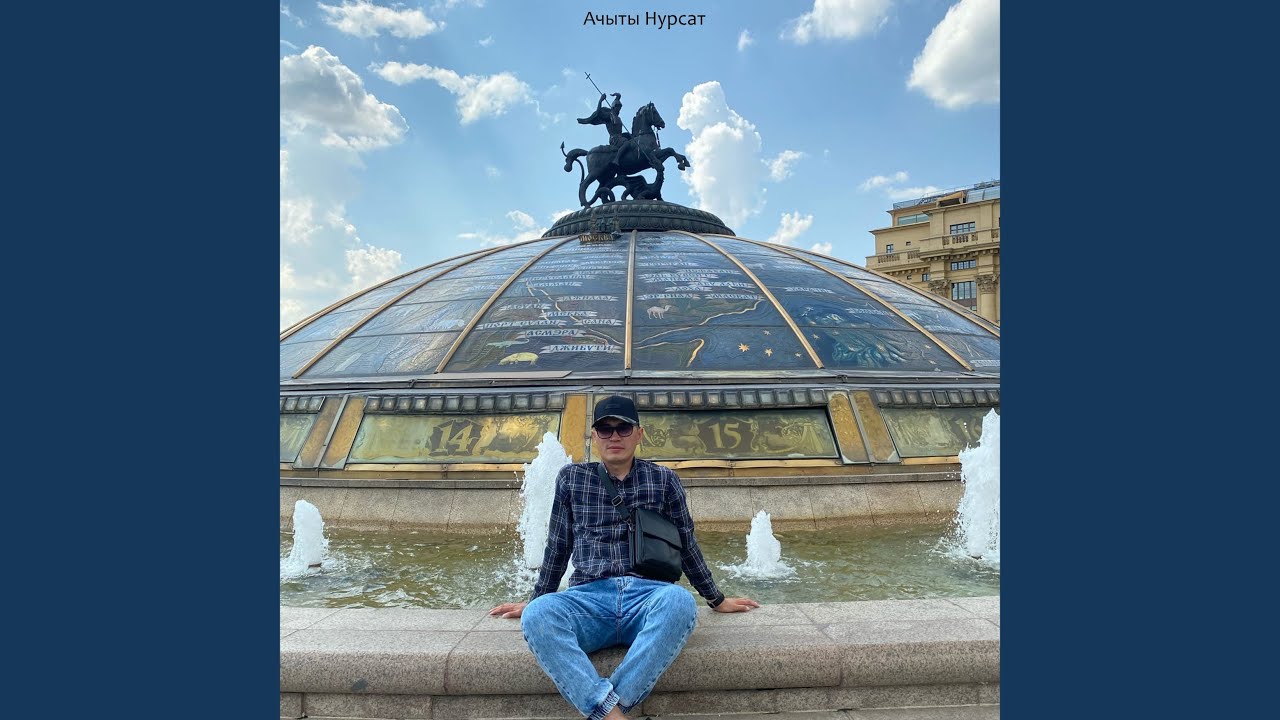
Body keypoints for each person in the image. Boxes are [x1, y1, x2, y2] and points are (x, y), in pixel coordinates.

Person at [489, 395, 759, 719]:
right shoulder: (571, 479)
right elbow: (558, 546)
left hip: (646, 597)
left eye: (623, 428)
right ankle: (614, 715)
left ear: (639, 434)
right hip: (589, 598)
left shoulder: (664, 480)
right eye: (605, 429)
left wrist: (716, 598)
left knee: (679, 601)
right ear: (594, 435)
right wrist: (537, 599)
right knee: (538, 616)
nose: (614, 436)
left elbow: (686, 544)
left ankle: (604, 710)